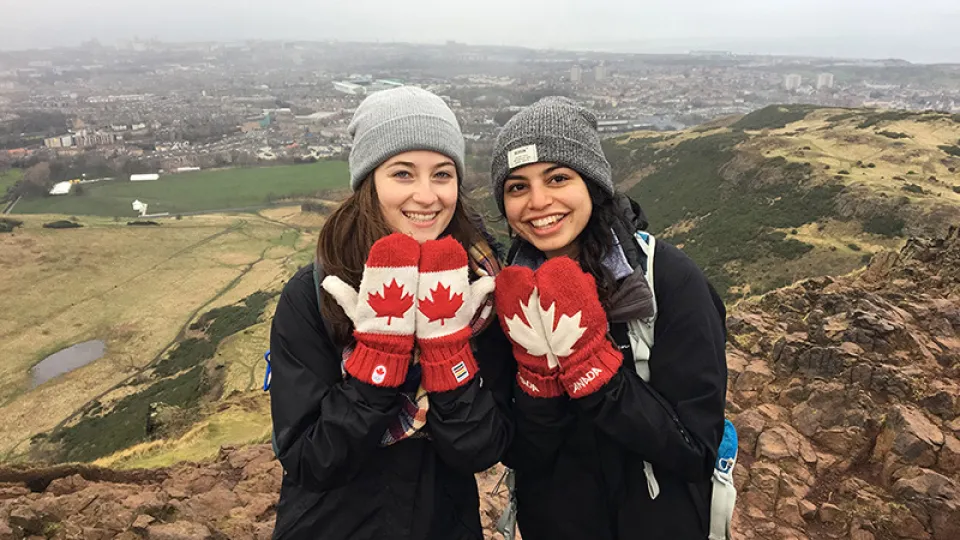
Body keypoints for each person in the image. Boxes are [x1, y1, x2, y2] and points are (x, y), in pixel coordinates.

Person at [269, 86, 514, 540]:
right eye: (403, 174)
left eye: (442, 175)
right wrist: (377, 363)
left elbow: (481, 448)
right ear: (369, 183)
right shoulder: (319, 293)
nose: (427, 195)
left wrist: (447, 352)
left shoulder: (478, 289)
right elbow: (308, 459)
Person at [489, 96, 729, 539]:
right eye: (517, 186)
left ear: (593, 184)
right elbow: (523, 453)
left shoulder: (666, 280)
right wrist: (539, 383)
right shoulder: (513, 293)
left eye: (558, 178)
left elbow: (696, 451)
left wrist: (594, 371)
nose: (538, 202)